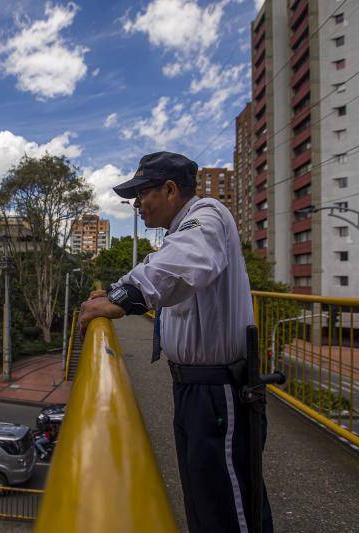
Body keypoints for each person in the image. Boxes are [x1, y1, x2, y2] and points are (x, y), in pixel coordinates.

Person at [79, 151, 273, 533]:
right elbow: (160, 264)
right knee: (202, 503)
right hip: (192, 388)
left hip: (219, 391)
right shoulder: (180, 232)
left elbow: (183, 262)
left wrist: (120, 300)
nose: (136, 205)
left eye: (142, 194)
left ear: (170, 190)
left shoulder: (208, 215)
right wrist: (117, 290)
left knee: (230, 511)